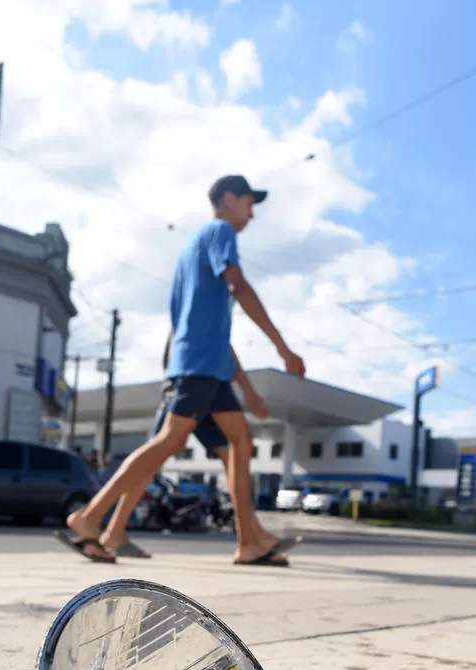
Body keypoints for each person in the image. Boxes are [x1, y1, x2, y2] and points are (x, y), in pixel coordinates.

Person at [56, 173, 305, 565]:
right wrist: (281, 346)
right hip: (197, 364)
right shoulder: (220, 232)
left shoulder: (193, 246)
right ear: (227, 199)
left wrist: (248, 389)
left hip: (207, 365)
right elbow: (238, 285)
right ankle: (90, 517)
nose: (252, 214)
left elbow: (208, 326)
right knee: (169, 442)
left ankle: (250, 540)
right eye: (248, 203)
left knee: (239, 441)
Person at [99, 343, 299, 560]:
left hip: (207, 385)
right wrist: (251, 388)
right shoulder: (204, 316)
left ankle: (252, 537)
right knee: (157, 455)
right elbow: (216, 343)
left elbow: (223, 345)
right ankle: (104, 524)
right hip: (191, 382)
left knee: (232, 456)